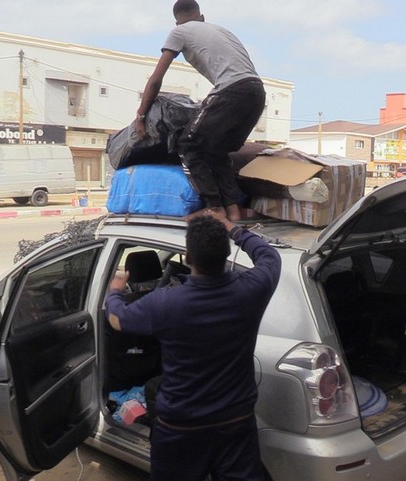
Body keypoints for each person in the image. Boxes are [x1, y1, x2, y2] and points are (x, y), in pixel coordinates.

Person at [105, 210, 281, 481]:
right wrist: (232, 227)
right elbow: (269, 256)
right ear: (226, 254)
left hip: (180, 428)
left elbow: (116, 320)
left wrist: (116, 291)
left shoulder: (165, 303)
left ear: (188, 258)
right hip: (235, 424)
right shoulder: (251, 290)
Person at [135, 0, 266, 222]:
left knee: (188, 143)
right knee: (216, 151)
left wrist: (141, 115)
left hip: (232, 91)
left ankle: (214, 208)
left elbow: (156, 79)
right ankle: (233, 210)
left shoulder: (179, 32)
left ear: (176, 22)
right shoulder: (222, 30)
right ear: (202, 17)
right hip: (256, 93)